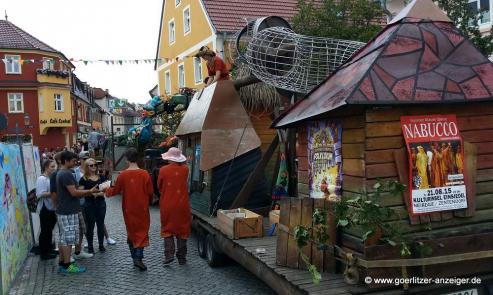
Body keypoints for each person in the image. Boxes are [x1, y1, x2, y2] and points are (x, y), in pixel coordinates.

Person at [103, 148, 154, 271]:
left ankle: (134, 257)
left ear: (126, 159)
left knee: (131, 231)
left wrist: (105, 189)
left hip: (128, 207)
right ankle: (138, 257)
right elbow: (150, 192)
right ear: (138, 159)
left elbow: (114, 191)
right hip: (142, 207)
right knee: (142, 231)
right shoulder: (145, 174)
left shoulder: (123, 175)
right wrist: (149, 201)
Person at [56, 151, 99, 274]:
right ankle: (67, 265)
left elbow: (73, 190)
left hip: (66, 210)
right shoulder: (66, 174)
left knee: (65, 238)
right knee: (68, 239)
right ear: (65, 161)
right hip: (68, 211)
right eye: (73, 161)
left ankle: (62, 263)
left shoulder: (63, 173)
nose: (76, 163)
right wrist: (90, 191)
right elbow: (74, 192)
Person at [157, 147, 191, 265]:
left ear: (170, 158)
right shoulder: (186, 169)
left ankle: (169, 255)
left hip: (168, 203)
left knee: (168, 229)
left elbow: (159, 186)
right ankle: (182, 257)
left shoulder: (163, 170)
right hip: (183, 204)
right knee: (183, 229)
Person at [79, 158, 107, 253]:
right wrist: (91, 193)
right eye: (91, 165)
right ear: (87, 167)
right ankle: (90, 247)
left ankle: (101, 245)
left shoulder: (102, 177)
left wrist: (98, 194)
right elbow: (81, 193)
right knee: (90, 226)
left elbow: (105, 191)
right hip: (89, 205)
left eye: (95, 164)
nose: (94, 167)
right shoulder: (83, 179)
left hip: (101, 204)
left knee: (100, 224)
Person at [36, 159, 58, 260]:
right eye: (52, 167)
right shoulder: (42, 179)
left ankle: (49, 249)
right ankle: (43, 253)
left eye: (55, 166)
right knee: (45, 231)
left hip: (51, 207)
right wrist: (53, 193)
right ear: (46, 168)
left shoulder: (50, 178)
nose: (54, 169)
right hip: (45, 208)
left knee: (49, 230)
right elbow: (40, 194)